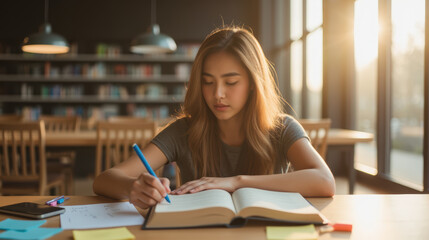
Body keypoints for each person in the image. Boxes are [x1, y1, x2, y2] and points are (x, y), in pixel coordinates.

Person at [93, 26, 335, 209]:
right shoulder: (184, 131)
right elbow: (104, 180)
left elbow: (324, 181)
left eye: (231, 82)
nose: (218, 94)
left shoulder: (282, 128)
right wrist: (133, 187)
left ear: (253, 83)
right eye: (208, 82)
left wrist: (237, 181)